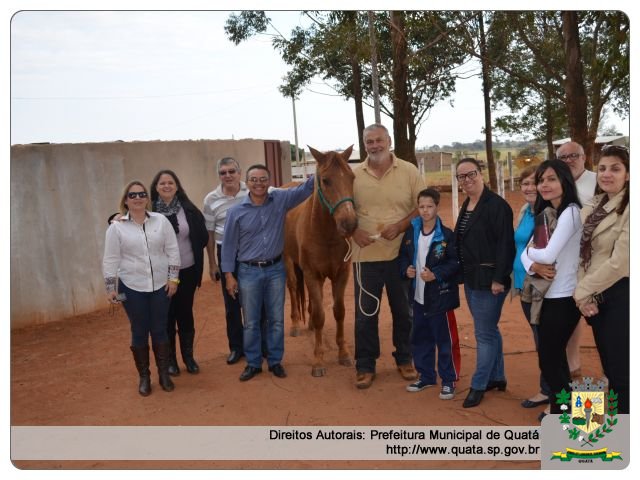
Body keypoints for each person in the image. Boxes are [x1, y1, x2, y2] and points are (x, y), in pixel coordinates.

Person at [221, 164, 314, 381]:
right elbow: (228, 246)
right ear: (247, 182)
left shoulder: (281, 200)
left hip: (275, 270)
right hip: (248, 271)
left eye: (263, 179)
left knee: (276, 319)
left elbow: (305, 189)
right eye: (254, 179)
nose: (259, 183)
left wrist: (325, 166)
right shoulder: (236, 212)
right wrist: (228, 275)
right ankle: (253, 363)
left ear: (269, 181)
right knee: (251, 321)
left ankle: (275, 361)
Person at [350, 123, 425, 389]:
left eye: (379, 140)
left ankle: (405, 359)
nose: (374, 146)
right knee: (365, 314)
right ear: (364, 144)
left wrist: (401, 226)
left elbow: (423, 207)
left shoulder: (408, 171)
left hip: (400, 256)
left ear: (389, 140)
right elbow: (341, 210)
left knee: (404, 311)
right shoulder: (354, 174)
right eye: (369, 142)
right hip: (364, 256)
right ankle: (365, 365)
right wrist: (353, 230)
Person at [103, 181, 180, 396]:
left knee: (159, 329)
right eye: (132, 195)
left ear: (147, 198)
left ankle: (163, 374)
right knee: (139, 330)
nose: (137, 198)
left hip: (160, 287)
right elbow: (110, 259)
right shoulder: (116, 227)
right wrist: (110, 287)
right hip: (132, 287)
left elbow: (173, 251)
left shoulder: (161, 221)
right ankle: (144, 377)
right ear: (126, 200)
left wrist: (174, 280)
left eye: (141, 194)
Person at [521, 160, 582, 416]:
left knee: (550, 358)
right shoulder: (546, 214)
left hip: (565, 297)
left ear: (564, 181)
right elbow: (528, 255)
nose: (544, 185)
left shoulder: (571, 211)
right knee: (553, 359)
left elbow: (545, 254)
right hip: (548, 296)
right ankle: (564, 413)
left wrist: (532, 257)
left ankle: (565, 414)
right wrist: (532, 263)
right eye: (541, 180)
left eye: (551, 179)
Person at [453, 158, 515, 408]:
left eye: (471, 174)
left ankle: (479, 384)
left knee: (484, 333)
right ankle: (497, 377)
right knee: (489, 329)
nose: (467, 180)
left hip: (490, 281)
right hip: (472, 279)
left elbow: (505, 245)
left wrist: (499, 279)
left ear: (481, 175)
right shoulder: (468, 204)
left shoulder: (496, 205)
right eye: (461, 177)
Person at [574, 145, 629, 413]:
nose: (607, 174)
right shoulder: (595, 205)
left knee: (622, 374)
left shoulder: (630, 208)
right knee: (609, 364)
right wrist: (584, 296)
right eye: (603, 168)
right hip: (596, 296)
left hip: (622, 295)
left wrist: (580, 291)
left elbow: (620, 263)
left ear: (628, 174)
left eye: (616, 168)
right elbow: (583, 252)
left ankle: (628, 434)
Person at [398, 188, 461, 400]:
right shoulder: (411, 232)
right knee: (420, 338)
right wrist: (406, 269)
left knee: (445, 340)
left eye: (429, 207)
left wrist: (436, 274)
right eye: (421, 207)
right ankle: (425, 376)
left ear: (437, 207)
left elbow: (455, 264)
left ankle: (449, 380)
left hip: (440, 298)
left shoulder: (446, 236)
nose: (425, 211)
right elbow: (403, 257)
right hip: (418, 297)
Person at [149, 170, 209, 376]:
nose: (166, 186)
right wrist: (114, 218)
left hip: (187, 270)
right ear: (155, 188)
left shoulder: (189, 209)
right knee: (166, 316)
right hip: (159, 276)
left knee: (185, 313)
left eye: (170, 182)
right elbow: (123, 220)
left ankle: (188, 358)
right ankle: (171, 361)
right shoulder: (148, 213)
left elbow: (201, 236)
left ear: (177, 186)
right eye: (162, 183)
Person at [555, 141, 597, 379]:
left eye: (574, 155)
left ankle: (614, 378)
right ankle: (573, 368)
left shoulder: (598, 181)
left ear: (584, 157)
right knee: (570, 319)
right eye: (563, 157)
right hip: (566, 266)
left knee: (602, 324)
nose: (569, 160)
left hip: (597, 265)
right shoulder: (555, 184)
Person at [512, 166, 551, 409]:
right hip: (522, 285)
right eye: (523, 183)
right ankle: (546, 390)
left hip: (541, 288)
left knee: (548, 342)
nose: (527, 188)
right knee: (540, 341)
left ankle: (555, 397)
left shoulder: (547, 214)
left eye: (532, 183)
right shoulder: (525, 210)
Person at [203, 157, 249, 365]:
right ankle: (236, 348)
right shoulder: (211, 199)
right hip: (226, 254)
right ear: (219, 176)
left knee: (255, 303)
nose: (228, 176)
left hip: (251, 253)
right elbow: (210, 234)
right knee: (232, 304)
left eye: (232, 171)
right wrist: (212, 264)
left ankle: (258, 345)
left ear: (240, 173)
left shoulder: (253, 191)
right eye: (223, 173)